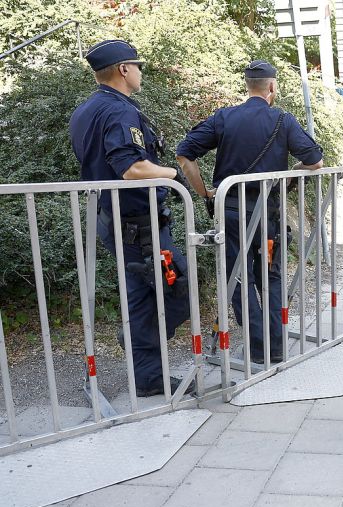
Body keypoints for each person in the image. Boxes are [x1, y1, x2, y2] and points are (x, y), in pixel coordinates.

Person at [176, 60, 324, 365]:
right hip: (266, 218)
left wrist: (205, 192)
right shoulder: (282, 120)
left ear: (248, 86)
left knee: (237, 278)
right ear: (271, 87)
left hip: (230, 214)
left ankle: (258, 347)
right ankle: (277, 346)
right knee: (270, 275)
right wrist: (288, 176)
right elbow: (314, 162)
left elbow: (184, 154)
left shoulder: (225, 117)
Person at [69, 39, 194, 397]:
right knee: (176, 288)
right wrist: (172, 174)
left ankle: (148, 373)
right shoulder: (120, 111)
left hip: (114, 219)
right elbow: (131, 167)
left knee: (142, 294)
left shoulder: (86, 110)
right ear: (123, 69)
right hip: (139, 224)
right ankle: (140, 345)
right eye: (137, 65)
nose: (140, 71)